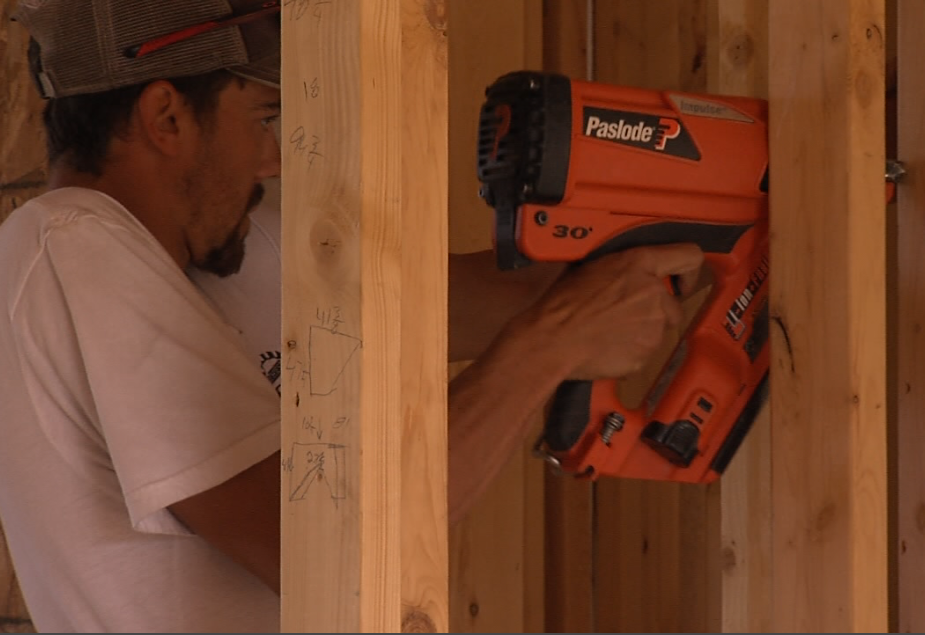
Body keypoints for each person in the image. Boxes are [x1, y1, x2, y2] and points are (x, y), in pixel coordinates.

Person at [0, 0, 704, 632]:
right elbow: (315, 547)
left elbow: (488, 301)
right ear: (167, 117)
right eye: (260, 119)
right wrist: (549, 347)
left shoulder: (220, 247)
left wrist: (671, 233)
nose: (272, 160)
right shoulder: (68, 242)